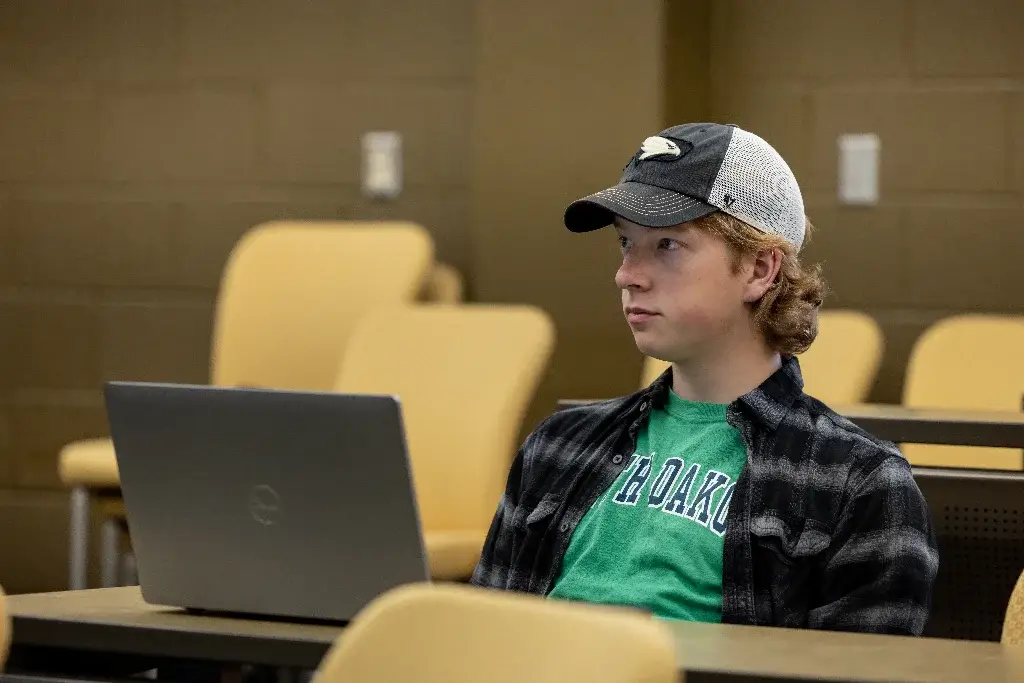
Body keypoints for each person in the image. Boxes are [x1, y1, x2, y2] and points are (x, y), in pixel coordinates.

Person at [470, 122, 939, 634]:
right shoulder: (558, 447)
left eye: (668, 245)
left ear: (760, 269)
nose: (627, 274)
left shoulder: (858, 482)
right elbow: (484, 645)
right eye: (627, 243)